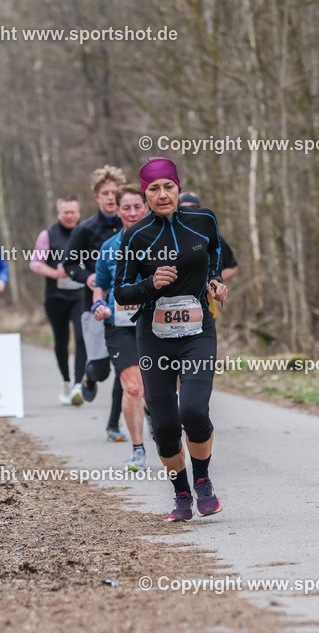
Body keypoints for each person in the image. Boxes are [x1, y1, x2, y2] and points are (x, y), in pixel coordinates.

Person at [114, 158, 227, 522]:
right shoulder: (135, 235)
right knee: (163, 427)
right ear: (145, 194)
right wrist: (151, 284)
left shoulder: (204, 221)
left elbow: (214, 255)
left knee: (193, 411)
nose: (162, 195)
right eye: (153, 188)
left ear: (178, 189)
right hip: (154, 336)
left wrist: (215, 281)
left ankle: (204, 481)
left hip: (197, 332)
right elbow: (121, 292)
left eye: (169, 187)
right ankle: (181, 494)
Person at [65, 165, 127, 441]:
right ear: (97, 197)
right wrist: (88, 276)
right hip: (95, 306)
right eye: (106, 193)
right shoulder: (85, 229)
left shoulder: (134, 227)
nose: (111, 197)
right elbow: (68, 264)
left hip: (127, 306)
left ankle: (114, 425)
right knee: (102, 370)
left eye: (115, 192)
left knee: (125, 366)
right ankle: (89, 377)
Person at [93, 184, 150, 470]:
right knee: (132, 388)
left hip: (155, 325)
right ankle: (138, 451)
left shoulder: (163, 241)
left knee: (156, 390)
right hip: (120, 326)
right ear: (117, 210)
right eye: (125, 207)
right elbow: (100, 286)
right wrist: (98, 305)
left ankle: (158, 423)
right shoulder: (109, 247)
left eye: (137, 206)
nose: (131, 212)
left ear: (146, 206)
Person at [31, 197, 89, 405]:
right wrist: (54, 273)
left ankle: (77, 385)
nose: (69, 216)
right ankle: (65, 381)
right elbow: (36, 263)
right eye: (65, 212)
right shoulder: (48, 234)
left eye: (73, 212)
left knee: (82, 338)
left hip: (81, 294)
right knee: (61, 340)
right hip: (56, 296)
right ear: (59, 213)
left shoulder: (86, 231)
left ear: (79, 213)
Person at [180, 192, 238, 318]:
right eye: (185, 207)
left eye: (194, 208)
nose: (189, 211)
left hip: (205, 304)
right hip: (174, 307)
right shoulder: (167, 235)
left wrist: (211, 280)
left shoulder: (211, 236)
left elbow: (232, 267)